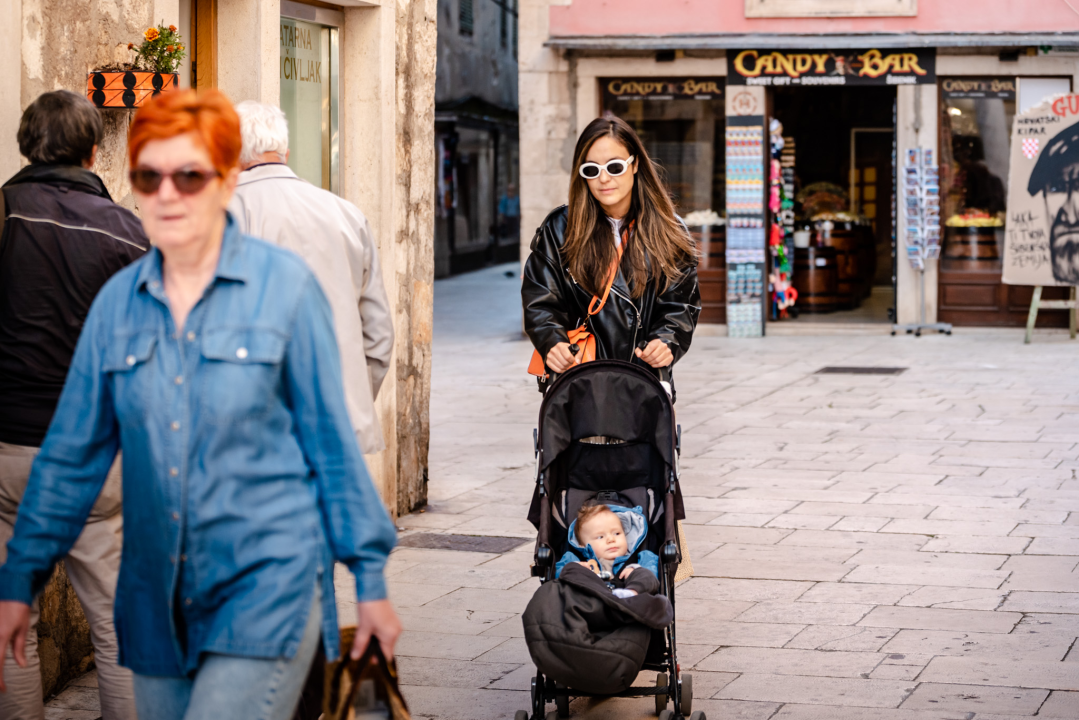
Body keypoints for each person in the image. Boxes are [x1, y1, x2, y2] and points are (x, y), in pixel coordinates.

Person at [0, 89, 400, 720]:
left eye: (188, 176)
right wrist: (19, 578)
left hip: (263, 595)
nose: (166, 195)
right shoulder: (118, 305)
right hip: (156, 613)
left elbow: (329, 446)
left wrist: (370, 579)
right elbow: (72, 455)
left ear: (224, 181)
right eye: (148, 177)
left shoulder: (283, 289)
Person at [0, 90, 148, 720]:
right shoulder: (129, 233)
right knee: (117, 625)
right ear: (93, 150)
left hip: (11, 446)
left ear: (25, 146)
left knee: (13, 622)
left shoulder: (5, 215)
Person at [228, 101, 393, 453]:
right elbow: (379, 336)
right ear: (285, 153)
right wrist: (351, 400)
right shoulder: (347, 215)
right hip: (338, 426)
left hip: (255, 432)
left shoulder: (221, 215)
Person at [522, 115, 700, 393]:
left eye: (615, 167)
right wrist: (552, 342)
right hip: (576, 377)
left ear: (635, 164)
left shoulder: (669, 230)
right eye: (591, 170)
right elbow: (540, 301)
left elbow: (680, 306)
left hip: (644, 379)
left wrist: (666, 342)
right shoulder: (559, 228)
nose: (603, 178)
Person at [555, 503, 660, 600]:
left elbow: (653, 572)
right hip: (589, 604)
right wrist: (576, 568)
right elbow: (557, 575)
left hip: (630, 604)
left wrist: (636, 570)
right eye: (600, 537)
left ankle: (631, 593)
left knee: (645, 573)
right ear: (583, 546)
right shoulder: (574, 559)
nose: (611, 539)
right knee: (566, 573)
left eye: (617, 533)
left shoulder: (642, 557)